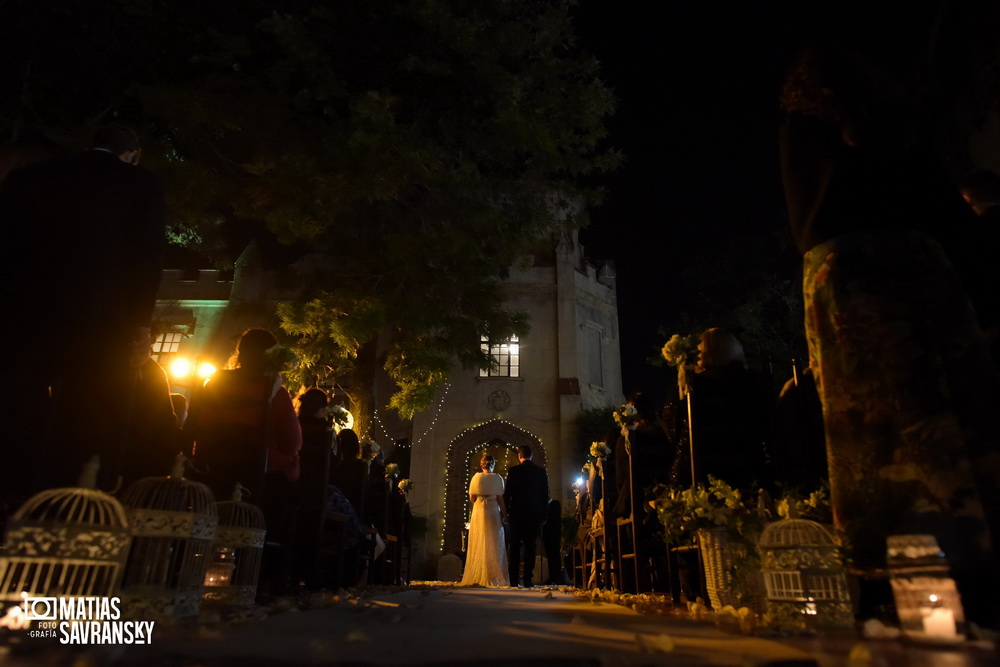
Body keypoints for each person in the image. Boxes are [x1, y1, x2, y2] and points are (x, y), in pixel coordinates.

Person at [780, 46, 1000, 626]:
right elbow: (941, 207)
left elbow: (806, 221)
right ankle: (971, 566)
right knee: (945, 420)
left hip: (841, 277)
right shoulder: (899, 123)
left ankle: (883, 584)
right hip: (908, 265)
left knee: (865, 434)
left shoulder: (802, 128)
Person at [0, 123, 166, 495]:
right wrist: (140, 326)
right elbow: (145, 258)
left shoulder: (30, 177)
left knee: (19, 418)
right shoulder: (141, 183)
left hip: (24, 323)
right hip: (102, 328)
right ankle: (75, 511)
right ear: (132, 154)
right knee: (90, 424)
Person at [186, 328, 302, 501]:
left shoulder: (212, 384)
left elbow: (195, 428)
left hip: (210, 469)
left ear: (240, 353)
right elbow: (292, 443)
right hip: (255, 474)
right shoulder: (273, 390)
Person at [669, 328, 771, 492]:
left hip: (704, 477)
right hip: (751, 474)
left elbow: (675, 431)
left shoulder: (694, 388)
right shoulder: (753, 384)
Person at [460, 454, 510, 587]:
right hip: (493, 511)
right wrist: (505, 515)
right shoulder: (497, 478)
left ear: (481, 464)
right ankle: (494, 574)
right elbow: (500, 499)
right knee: (493, 540)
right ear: (493, 464)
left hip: (479, 510)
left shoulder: (476, 478)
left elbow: (472, 498)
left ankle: (478, 572)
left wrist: (481, 501)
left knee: (479, 539)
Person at [504, 444, 549, 588]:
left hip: (516, 514)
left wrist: (506, 513)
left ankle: (513, 580)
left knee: (515, 547)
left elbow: (507, 494)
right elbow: (544, 496)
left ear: (519, 456)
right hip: (533, 514)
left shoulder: (513, 471)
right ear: (532, 456)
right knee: (530, 547)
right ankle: (528, 579)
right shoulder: (540, 472)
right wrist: (544, 516)